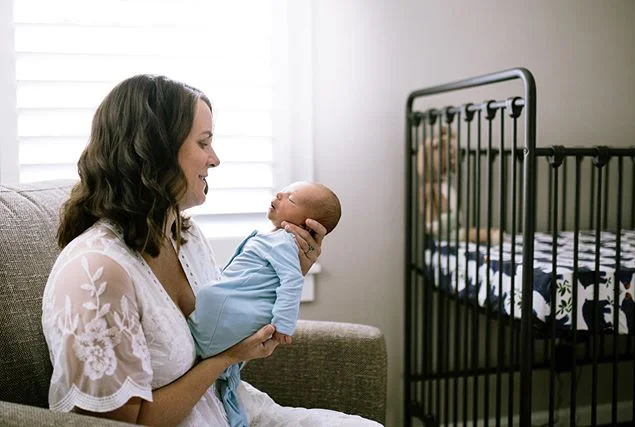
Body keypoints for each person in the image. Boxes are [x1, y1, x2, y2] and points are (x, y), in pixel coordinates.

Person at [41, 74, 381, 426]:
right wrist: (225, 359)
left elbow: (224, 331)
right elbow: (123, 424)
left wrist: (283, 276)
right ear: (155, 152)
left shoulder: (184, 237)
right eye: (203, 143)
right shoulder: (95, 275)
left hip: (234, 411)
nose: (214, 159)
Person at [188, 181, 341, 426]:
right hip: (225, 323)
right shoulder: (276, 240)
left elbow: (291, 280)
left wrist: (283, 324)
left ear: (307, 223)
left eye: (291, 199)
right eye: (284, 191)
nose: (280, 194)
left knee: (208, 295)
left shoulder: (283, 242)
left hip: (230, 320)